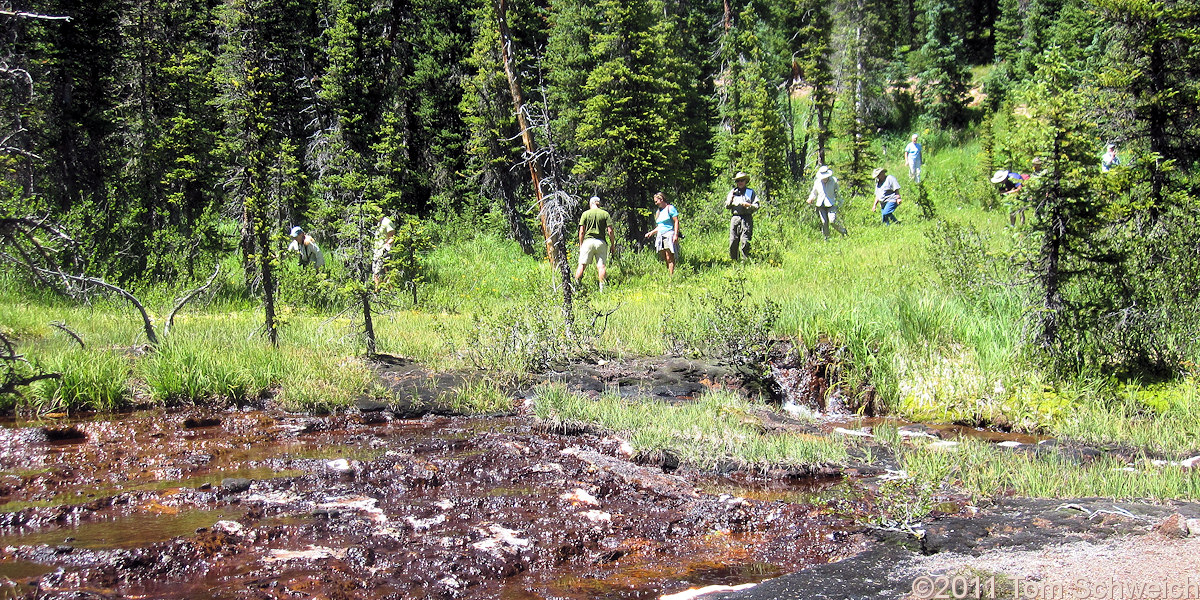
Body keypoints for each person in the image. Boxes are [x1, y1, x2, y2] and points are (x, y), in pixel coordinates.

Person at [575, 196, 615, 290]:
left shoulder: (585, 214)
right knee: (601, 266)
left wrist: (581, 245)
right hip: (601, 242)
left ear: (591, 204)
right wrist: (612, 245)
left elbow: (581, 232)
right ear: (599, 204)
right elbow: (610, 231)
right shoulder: (605, 214)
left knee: (582, 265)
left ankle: (576, 286)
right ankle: (602, 288)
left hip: (588, 242)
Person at [806, 166, 848, 241]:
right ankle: (826, 238)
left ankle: (843, 231)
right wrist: (811, 198)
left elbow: (838, 193)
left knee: (832, 221)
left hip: (831, 203)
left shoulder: (833, 181)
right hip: (820, 204)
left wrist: (840, 203)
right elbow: (814, 193)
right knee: (824, 222)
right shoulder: (817, 182)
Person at [725, 171, 760, 260]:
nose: (740, 182)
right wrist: (731, 200)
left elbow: (757, 205)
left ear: (746, 181)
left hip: (747, 218)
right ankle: (734, 261)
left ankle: (745, 261)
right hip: (735, 218)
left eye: (742, 180)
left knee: (745, 241)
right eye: (738, 181)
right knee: (733, 241)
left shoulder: (750, 192)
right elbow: (727, 206)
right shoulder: (733, 192)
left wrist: (749, 206)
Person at [643, 191, 680, 275]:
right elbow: (660, 226)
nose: (655, 203)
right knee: (663, 256)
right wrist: (651, 232)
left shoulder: (670, 208)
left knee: (669, 256)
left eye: (656, 201)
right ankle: (668, 272)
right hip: (660, 236)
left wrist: (675, 234)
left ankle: (671, 276)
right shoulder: (658, 212)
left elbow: (676, 221)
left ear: (661, 199)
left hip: (669, 234)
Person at [373, 215, 396, 285]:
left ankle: (383, 290)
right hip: (377, 250)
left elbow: (392, 237)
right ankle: (378, 289)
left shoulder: (387, 222)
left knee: (381, 271)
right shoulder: (379, 222)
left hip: (383, 251)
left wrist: (385, 247)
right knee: (375, 271)